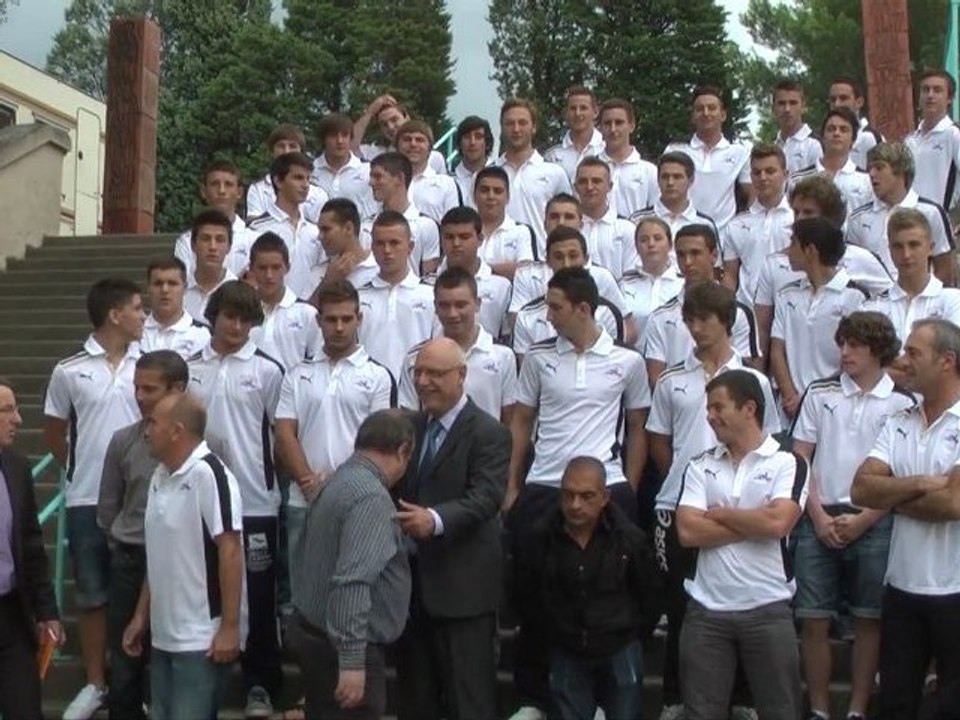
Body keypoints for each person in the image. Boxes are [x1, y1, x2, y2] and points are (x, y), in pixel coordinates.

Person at [504, 267, 650, 720]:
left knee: (611, 594)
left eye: (555, 307)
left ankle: (606, 700)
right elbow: (522, 422)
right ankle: (533, 698)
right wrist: (513, 485)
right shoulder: (537, 358)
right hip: (545, 486)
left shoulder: (627, 362)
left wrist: (628, 483)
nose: (547, 316)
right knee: (535, 595)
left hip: (606, 487)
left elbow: (639, 426)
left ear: (583, 309)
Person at [646, 283, 780, 720]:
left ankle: (739, 699)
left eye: (706, 319)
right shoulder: (671, 380)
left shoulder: (754, 380)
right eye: (690, 319)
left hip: (740, 504)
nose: (697, 328)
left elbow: (768, 438)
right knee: (681, 604)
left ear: (728, 322)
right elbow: (660, 442)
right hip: (679, 505)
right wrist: (685, 482)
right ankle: (674, 697)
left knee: (737, 601)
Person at [791, 312, 915, 720]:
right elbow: (800, 459)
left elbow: (904, 474)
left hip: (876, 520)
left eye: (856, 345)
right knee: (813, 618)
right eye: (842, 343)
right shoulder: (821, 391)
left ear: (879, 350)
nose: (845, 353)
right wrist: (818, 515)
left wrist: (867, 517)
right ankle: (819, 709)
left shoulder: (902, 400)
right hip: (819, 515)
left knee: (868, 618)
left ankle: (858, 710)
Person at [677, 370, 807, 720]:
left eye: (718, 407)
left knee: (781, 711)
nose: (710, 415)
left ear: (749, 408)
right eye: (709, 407)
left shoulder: (789, 462)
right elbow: (688, 532)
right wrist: (753, 522)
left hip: (768, 608)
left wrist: (720, 515)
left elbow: (779, 522)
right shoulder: (700, 464)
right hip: (706, 611)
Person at [393, 338, 510, 720]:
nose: (424, 382)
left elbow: (486, 498)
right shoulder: (409, 427)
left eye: (435, 374)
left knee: (468, 701)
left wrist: (436, 520)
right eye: (418, 373)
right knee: (416, 700)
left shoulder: (488, 432)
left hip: (464, 593)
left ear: (461, 375)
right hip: (413, 593)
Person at [44, 278, 144, 720]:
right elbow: (54, 433)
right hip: (86, 497)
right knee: (91, 593)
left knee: (138, 591)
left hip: (138, 499)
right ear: (114, 315)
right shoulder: (68, 369)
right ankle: (96, 683)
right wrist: (80, 471)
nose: (144, 315)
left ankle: (133, 684)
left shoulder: (149, 364)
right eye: (137, 309)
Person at [851, 318, 960, 719]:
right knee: (896, 703)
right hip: (901, 589)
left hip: (955, 590)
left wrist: (894, 495)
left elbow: (952, 504)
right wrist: (922, 484)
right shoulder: (899, 422)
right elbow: (861, 488)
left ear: (946, 361)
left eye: (914, 353)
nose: (902, 361)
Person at [188, 280, 284, 717]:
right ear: (214, 315)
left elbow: (280, 436)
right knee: (204, 590)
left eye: (247, 320)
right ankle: (203, 677)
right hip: (201, 500)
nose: (238, 326)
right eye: (231, 316)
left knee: (259, 594)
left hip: (255, 501)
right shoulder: (190, 368)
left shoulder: (267, 370)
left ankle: (260, 683)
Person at [121, 393, 245, 720]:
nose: (146, 430)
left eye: (153, 423)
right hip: (163, 635)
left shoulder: (210, 475)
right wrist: (140, 616)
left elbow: (231, 550)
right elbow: (159, 552)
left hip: (200, 638)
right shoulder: (159, 476)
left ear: (177, 431)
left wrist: (230, 627)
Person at [286, 409, 415, 720]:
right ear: (402, 451)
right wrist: (353, 661)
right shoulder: (370, 497)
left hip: (315, 632)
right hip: (344, 646)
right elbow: (353, 581)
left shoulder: (336, 480)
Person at [515, 456, 660, 720]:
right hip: (566, 649)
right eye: (568, 495)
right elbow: (526, 596)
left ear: (605, 497)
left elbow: (648, 595)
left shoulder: (629, 539)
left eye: (586, 496)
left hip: (620, 647)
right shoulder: (540, 539)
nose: (575, 504)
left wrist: (632, 631)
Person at [97, 351, 188, 720]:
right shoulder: (123, 441)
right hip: (130, 559)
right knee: (124, 662)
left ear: (177, 389)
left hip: (181, 567)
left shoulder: (207, 443)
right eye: (136, 388)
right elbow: (107, 507)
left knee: (175, 660)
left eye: (149, 389)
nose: (139, 396)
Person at [753, 174, 893, 360]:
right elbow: (762, 329)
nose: (800, 219)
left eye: (809, 213)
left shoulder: (860, 258)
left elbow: (891, 303)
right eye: (796, 212)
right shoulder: (774, 263)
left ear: (830, 218)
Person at [0, 377, 62, 720]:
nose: (18, 420)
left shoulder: (17, 467)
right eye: (7, 411)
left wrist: (48, 612)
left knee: (25, 709)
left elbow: (32, 547)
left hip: (11, 614)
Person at [771, 217, 868, 419]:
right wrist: (790, 396)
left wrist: (809, 399)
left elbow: (857, 355)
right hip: (788, 411)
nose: (788, 251)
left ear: (810, 251)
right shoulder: (785, 294)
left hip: (834, 408)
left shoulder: (856, 297)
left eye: (793, 243)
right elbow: (777, 350)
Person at [642, 223, 761, 386]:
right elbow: (657, 379)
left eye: (695, 253)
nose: (688, 262)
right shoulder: (660, 317)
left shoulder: (740, 313)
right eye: (681, 255)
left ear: (714, 255)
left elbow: (748, 371)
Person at [399, 267, 518, 423]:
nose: (452, 314)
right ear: (435, 307)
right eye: (444, 306)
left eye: (460, 305)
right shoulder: (415, 357)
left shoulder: (503, 356)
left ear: (477, 304)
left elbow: (509, 419)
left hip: (486, 446)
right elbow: (408, 418)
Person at [846, 141, 955, 285]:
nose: (871, 174)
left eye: (879, 167)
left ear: (900, 172)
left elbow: (945, 267)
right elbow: (853, 267)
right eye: (870, 169)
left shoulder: (931, 212)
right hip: (874, 304)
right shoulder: (858, 218)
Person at [512, 226, 630, 358]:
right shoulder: (527, 316)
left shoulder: (608, 313)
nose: (566, 264)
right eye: (558, 257)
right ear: (547, 261)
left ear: (585, 259)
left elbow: (618, 360)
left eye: (573, 256)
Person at [865, 209, 960, 352]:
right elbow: (868, 365)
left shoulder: (953, 301)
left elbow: (949, 362)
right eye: (898, 246)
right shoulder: (873, 307)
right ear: (889, 250)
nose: (906, 254)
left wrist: (889, 364)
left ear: (930, 248)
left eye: (914, 245)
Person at [357, 211, 436, 379]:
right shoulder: (357, 297)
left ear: (410, 247)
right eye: (380, 243)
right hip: (369, 390)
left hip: (417, 391)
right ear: (372, 248)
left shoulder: (431, 296)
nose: (387, 250)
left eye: (394, 243)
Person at [664, 85, 751, 229]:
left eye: (712, 108)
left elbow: (752, 198)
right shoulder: (675, 150)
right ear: (693, 116)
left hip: (723, 238)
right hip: (682, 235)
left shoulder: (739, 153)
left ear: (723, 115)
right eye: (700, 109)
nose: (706, 113)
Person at [495, 98, 572, 256]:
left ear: (534, 127)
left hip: (543, 261)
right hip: (498, 262)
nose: (516, 129)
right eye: (510, 123)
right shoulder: (489, 174)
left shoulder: (554, 173)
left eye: (522, 123)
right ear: (502, 128)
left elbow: (568, 222)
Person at [247, 152, 328, 299]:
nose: (305, 185)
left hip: (306, 312)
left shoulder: (315, 232)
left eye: (308, 179)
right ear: (278, 181)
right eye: (298, 178)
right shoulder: (257, 229)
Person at [722, 143, 794, 305]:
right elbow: (729, 275)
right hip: (747, 311)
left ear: (785, 174)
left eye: (770, 171)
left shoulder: (798, 219)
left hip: (789, 308)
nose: (763, 177)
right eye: (756, 172)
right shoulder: (736, 224)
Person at [431, 206, 512, 339]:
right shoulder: (426, 284)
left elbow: (506, 336)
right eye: (449, 237)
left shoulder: (502, 286)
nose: (456, 243)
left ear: (480, 239)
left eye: (464, 237)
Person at [247, 232, 321, 371]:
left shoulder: (307, 313)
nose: (269, 275)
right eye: (262, 268)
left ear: (287, 267)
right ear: (251, 269)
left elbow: (317, 360)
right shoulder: (241, 313)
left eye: (276, 267)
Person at [173, 160, 254, 278]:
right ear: (204, 191)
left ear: (239, 192)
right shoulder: (186, 242)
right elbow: (183, 284)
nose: (221, 191)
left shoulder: (254, 240)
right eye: (215, 184)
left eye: (228, 184)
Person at [367, 152, 441, 276]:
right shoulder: (366, 225)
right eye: (371, 177)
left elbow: (428, 275)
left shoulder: (426, 225)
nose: (371, 183)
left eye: (378, 176)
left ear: (400, 178)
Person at [790, 106, 873, 215]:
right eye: (831, 129)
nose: (837, 133)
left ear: (853, 140)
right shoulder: (798, 179)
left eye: (843, 130)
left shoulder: (866, 181)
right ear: (822, 136)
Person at [619, 217, 684, 343]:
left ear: (670, 245)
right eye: (644, 240)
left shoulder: (683, 283)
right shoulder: (624, 284)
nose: (651, 244)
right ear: (636, 247)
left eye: (658, 238)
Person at [629, 151, 717, 244]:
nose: (670, 182)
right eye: (665, 177)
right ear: (658, 180)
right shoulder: (637, 221)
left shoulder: (705, 224)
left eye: (677, 177)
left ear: (691, 180)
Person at [904, 69, 960, 212]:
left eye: (937, 90)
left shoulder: (954, 135)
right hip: (910, 221)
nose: (930, 95)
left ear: (949, 98)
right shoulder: (909, 140)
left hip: (943, 221)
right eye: (925, 90)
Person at [574, 156, 638, 280]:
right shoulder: (569, 228)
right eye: (583, 181)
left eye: (596, 181)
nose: (589, 187)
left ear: (610, 186)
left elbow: (630, 277)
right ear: (575, 187)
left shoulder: (626, 229)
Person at [247, 123, 327, 221]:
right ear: (272, 152)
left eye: (292, 146)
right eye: (281, 146)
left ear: (301, 152)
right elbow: (254, 227)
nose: (286, 151)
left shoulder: (318, 194)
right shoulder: (258, 189)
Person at [352, 94, 446, 173]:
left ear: (407, 118)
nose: (390, 127)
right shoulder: (376, 154)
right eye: (384, 124)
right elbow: (350, 147)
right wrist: (370, 112)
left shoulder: (435, 158)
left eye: (394, 120)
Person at [597, 98, 659, 218]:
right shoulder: (589, 169)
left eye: (619, 122)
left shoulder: (649, 171)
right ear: (600, 128)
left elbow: (656, 212)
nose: (613, 129)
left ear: (632, 126)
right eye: (607, 123)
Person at [473, 165, 537, 277]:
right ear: (474, 196)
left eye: (498, 191)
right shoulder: (465, 232)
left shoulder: (521, 231)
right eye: (484, 190)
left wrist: (480, 268)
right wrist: (504, 269)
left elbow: (525, 273)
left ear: (507, 197)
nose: (491, 196)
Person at [140, 256, 210, 358]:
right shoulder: (132, 334)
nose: (165, 290)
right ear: (148, 288)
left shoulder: (203, 335)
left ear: (185, 288)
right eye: (158, 283)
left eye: (172, 283)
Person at [310, 112, 377, 220]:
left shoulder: (367, 170)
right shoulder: (310, 171)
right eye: (333, 136)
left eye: (345, 135)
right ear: (323, 139)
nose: (340, 141)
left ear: (351, 138)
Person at [397, 119, 461, 223]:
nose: (413, 144)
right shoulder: (385, 181)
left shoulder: (446, 184)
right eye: (407, 139)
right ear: (397, 146)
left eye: (420, 140)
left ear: (430, 148)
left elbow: (453, 225)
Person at [183, 207, 239, 322]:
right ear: (193, 245)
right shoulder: (179, 290)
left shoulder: (238, 294)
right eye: (205, 239)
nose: (212, 247)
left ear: (229, 247)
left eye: (220, 240)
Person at [315, 197, 379, 291]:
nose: (319, 237)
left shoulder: (378, 269)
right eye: (320, 230)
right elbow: (304, 306)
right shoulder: (317, 273)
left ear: (348, 228)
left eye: (326, 229)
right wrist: (328, 282)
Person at [544, 86, 605, 183]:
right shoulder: (552, 155)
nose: (577, 113)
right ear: (565, 113)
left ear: (595, 112)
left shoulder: (606, 150)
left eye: (583, 108)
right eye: (573, 108)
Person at [828, 76, 883, 171]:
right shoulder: (827, 136)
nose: (837, 104)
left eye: (843, 98)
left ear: (859, 102)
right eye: (833, 100)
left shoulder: (869, 137)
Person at [772, 78, 822, 175]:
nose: (787, 109)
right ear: (773, 108)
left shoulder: (815, 145)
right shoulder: (772, 147)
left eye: (793, 103)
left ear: (803, 107)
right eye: (782, 103)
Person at [452, 115, 494, 209]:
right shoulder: (448, 180)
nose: (472, 142)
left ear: (487, 143)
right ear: (460, 143)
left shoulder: (502, 176)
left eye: (478, 137)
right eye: (467, 137)